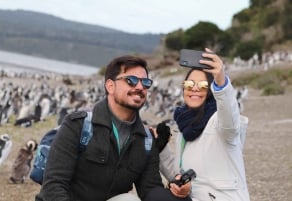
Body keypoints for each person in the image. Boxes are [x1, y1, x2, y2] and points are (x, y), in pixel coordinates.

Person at [35, 55, 165, 201]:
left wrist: (178, 194)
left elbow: (151, 189)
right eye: (131, 80)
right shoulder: (78, 125)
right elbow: (53, 185)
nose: (140, 87)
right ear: (110, 86)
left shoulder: (146, 140)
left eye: (146, 82)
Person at [146, 48, 250, 201]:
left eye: (202, 85)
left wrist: (221, 82)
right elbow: (180, 174)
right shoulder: (185, 126)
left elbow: (230, 122)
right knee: (155, 195)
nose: (194, 88)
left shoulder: (220, 122)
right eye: (189, 84)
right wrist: (161, 148)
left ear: (210, 91)